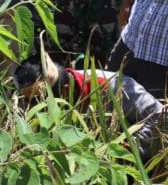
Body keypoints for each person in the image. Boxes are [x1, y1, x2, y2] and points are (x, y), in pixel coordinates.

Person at [15, 53, 167, 163]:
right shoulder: (30, 102)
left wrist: (123, 151)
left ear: (66, 89)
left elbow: (161, 116)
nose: (39, 106)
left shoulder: (114, 86)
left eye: (44, 100)